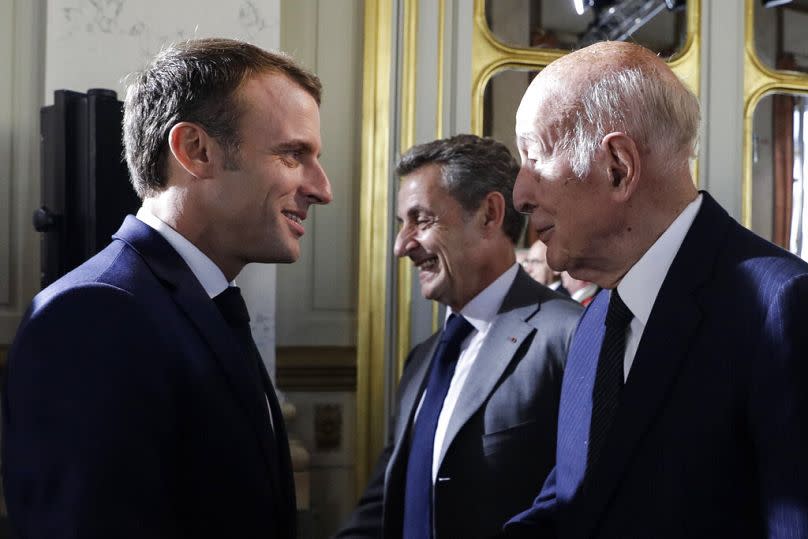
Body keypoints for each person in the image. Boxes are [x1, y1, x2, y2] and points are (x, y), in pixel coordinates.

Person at [2, 38, 332, 539]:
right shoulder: (93, 314)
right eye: (293, 154)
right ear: (195, 151)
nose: (321, 188)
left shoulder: (193, 299)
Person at [504, 40, 808, 538]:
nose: (519, 193)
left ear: (618, 167)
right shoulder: (596, 319)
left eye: (534, 157)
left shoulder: (782, 308)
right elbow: (573, 506)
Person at [335, 135, 581, 539]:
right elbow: (383, 508)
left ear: (489, 214)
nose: (401, 246)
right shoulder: (423, 359)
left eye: (422, 219)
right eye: (402, 224)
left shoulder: (567, 337)